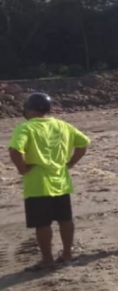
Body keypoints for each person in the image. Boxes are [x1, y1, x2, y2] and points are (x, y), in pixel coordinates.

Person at [8, 93, 91, 271]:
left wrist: (22, 169)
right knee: (65, 219)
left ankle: (48, 259)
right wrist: (71, 163)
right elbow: (83, 144)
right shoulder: (62, 125)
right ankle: (67, 254)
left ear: (29, 109)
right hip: (61, 181)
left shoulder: (26, 128)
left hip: (37, 184)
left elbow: (15, 150)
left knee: (42, 224)